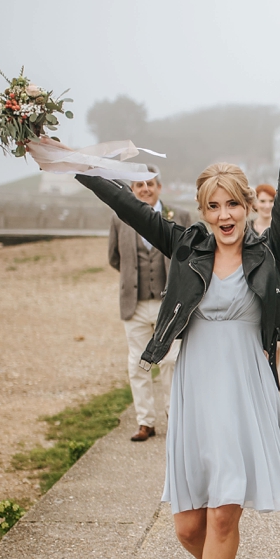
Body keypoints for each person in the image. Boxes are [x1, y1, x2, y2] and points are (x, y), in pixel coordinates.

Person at [75, 82, 280, 559]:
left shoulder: (268, 251)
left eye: (233, 204)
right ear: (202, 212)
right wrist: (73, 162)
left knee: (224, 512)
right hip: (195, 388)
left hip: (245, 389)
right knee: (189, 525)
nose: (224, 215)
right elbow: (127, 205)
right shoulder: (185, 245)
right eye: (213, 206)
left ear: (244, 207)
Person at [107, 165, 193, 441]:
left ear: (159, 187)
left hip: (171, 304)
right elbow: (114, 258)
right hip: (135, 302)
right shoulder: (120, 218)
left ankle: (174, 416)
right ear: (132, 190)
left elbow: (191, 257)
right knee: (137, 364)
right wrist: (133, 278)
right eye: (139, 185)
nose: (145, 188)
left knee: (171, 361)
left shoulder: (179, 216)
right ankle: (145, 421)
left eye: (150, 184)